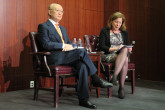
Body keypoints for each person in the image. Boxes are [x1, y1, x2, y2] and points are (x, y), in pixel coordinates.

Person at [37, 3, 113, 109]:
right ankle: (96, 78)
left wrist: (75, 46)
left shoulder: (63, 29)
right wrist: (63, 45)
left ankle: (83, 99)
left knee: (82, 65)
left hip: (65, 57)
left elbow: (69, 43)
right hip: (53, 58)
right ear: (49, 12)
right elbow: (45, 44)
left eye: (62, 11)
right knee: (82, 53)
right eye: (57, 10)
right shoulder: (43, 26)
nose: (60, 13)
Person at [99, 12, 132, 99]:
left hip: (122, 55)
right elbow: (102, 46)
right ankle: (121, 88)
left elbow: (127, 44)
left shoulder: (124, 32)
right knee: (124, 58)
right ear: (111, 21)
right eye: (116, 22)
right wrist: (116, 48)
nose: (118, 24)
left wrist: (129, 48)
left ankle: (114, 77)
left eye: (120, 23)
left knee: (125, 52)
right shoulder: (104, 31)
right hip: (108, 55)